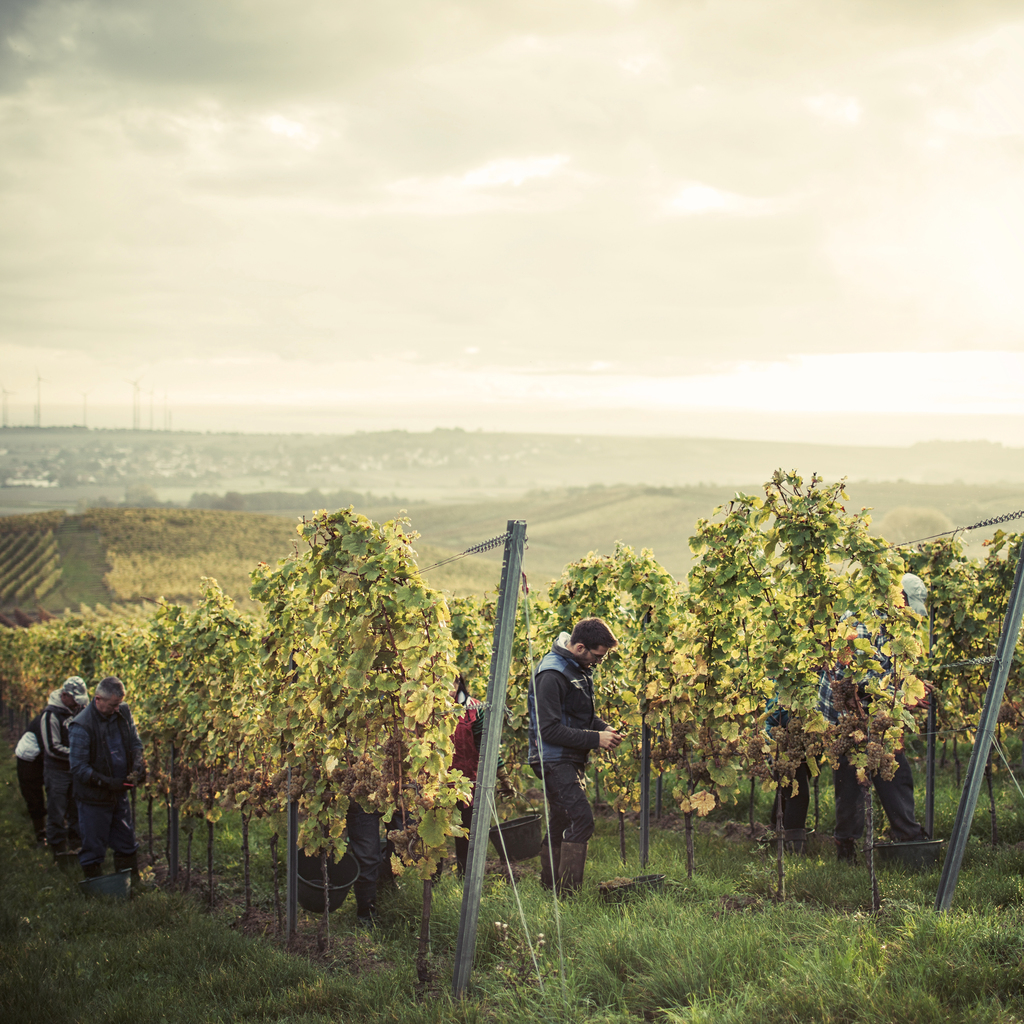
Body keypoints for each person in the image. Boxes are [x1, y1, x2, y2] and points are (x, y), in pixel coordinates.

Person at [820, 573, 930, 863]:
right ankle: (847, 846)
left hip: (872, 709)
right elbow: (860, 676)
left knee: (893, 771)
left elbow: (886, 667)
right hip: (845, 711)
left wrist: (909, 685)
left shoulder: (892, 625)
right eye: (909, 605)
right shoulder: (863, 620)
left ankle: (908, 839)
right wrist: (903, 694)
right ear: (899, 597)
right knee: (850, 779)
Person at [527, 617, 622, 894]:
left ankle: (550, 889)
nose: (598, 662)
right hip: (553, 759)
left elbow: (578, 715)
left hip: (567, 758)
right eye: (598, 656)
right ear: (580, 647)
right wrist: (596, 739)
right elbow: (550, 730)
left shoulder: (574, 667)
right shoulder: (552, 675)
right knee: (581, 819)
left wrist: (603, 728)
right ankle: (568, 893)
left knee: (562, 819)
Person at [68, 676, 146, 880]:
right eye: (113, 705)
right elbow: (78, 768)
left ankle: (130, 883)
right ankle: (95, 890)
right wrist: (107, 782)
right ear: (98, 699)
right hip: (93, 796)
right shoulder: (81, 726)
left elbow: (135, 742)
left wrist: (138, 763)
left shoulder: (122, 712)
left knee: (126, 840)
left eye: (119, 704)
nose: (116, 709)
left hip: (119, 791)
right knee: (93, 844)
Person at [40, 675, 89, 859]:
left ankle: (77, 847)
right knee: (57, 810)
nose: (78, 705)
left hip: (74, 771)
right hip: (57, 772)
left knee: (76, 808)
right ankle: (58, 849)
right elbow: (52, 747)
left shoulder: (78, 710)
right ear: (65, 696)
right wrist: (78, 755)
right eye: (75, 700)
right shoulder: (51, 715)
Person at [14, 706, 48, 845]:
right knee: (34, 798)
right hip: (27, 760)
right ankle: (41, 835)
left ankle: (58, 831)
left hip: (42, 756)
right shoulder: (47, 720)